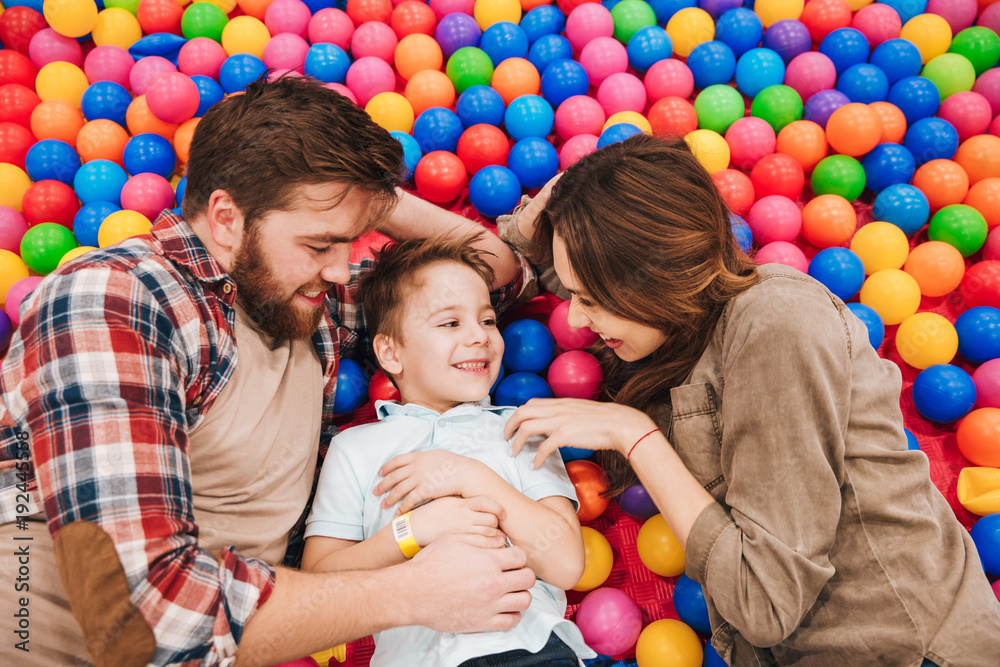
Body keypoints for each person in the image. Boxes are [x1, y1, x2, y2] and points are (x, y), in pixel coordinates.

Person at [381, 134, 1000, 667]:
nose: (573, 317)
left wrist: (632, 435)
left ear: (651, 274)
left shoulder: (775, 323)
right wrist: (576, 192)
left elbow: (764, 603)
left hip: (904, 647)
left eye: (590, 298)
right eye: (573, 292)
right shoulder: (662, 317)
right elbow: (522, 249)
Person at [0, 74, 540, 667]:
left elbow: (494, 271)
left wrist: (370, 198)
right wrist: (416, 592)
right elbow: (145, 622)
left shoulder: (305, 300)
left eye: (352, 241)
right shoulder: (114, 300)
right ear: (227, 217)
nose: (340, 269)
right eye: (319, 244)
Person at [301, 235, 595, 667]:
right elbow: (318, 589)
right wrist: (411, 532)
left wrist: (469, 475)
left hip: (531, 650)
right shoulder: (354, 449)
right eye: (450, 323)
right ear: (391, 351)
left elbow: (567, 563)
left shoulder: (523, 430)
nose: (480, 337)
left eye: (488, 320)